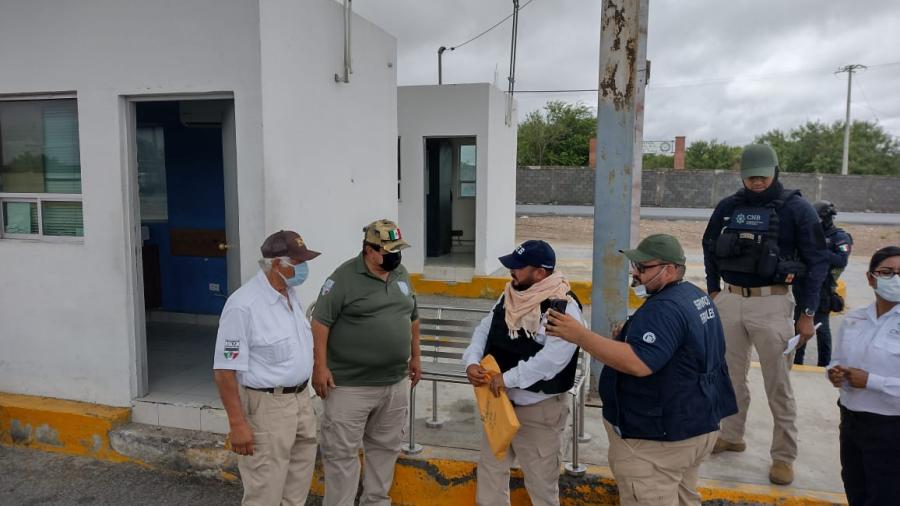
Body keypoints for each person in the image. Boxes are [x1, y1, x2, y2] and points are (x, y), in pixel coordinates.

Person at [546, 234, 737, 506]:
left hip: (657, 443)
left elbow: (639, 363)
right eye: (635, 265)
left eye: (643, 267)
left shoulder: (664, 309)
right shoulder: (695, 296)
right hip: (695, 426)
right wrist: (627, 336)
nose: (635, 273)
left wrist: (579, 335)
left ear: (669, 270)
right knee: (684, 498)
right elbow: (683, 350)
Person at [701, 144, 829, 485]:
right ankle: (732, 435)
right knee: (729, 376)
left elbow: (817, 262)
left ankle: (783, 456)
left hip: (772, 303)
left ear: (775, 172)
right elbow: (709, 245)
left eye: (762, 176)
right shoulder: (729, 207)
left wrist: (807, 312)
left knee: (778, 384)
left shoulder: (798, 209)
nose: (757, 182)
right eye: (750, 177)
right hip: (730, 299)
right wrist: (713, 288)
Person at [462, 240, 585, 506]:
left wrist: (508, 379)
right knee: (490, 478)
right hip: (499, 405)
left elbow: (552, 360)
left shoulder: (563, 307)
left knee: (542, 488)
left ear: (540, 272)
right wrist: (471, 361)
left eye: (518, 267)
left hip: (538, 412)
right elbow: (485, 329)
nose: (512, 271)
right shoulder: (509, 294)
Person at [311, 219, 422, 506]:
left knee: (386, 449)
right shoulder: (343, 279)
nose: (395, 256)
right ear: (369, 250)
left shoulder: (400, 274)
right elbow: (320, 322)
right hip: (350, 386)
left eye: (398, 250)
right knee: (341, 454)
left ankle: (376, 501)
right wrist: (320, 366)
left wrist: (416, 356)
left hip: (394, 382)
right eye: (389, 251)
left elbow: (412, 316)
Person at [212, 230, 321, 506]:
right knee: (265, 494)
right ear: (276, 264)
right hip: (267, 408)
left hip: (301, 401)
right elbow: (224, 371)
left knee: (296, 491)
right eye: (298, 262)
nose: (303, 268)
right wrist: (237, 424)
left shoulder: (290, 295)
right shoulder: (243, 306)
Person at [827, 246, 900, 506]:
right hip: (852, 421)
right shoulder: (855, 318)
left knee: (886, 496)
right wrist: (835, 374)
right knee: (855, 488)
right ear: (871, 278)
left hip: (891, 428)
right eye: (887, 272)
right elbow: (837, 360)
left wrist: (871, 382)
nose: (895, 279)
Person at [794, 200, 853, 366]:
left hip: (823, 288)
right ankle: (797, 361)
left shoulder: (839, 237)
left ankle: (824, 363)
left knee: (821, 327)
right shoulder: (809, 235)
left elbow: (841, 260)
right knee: (798, 326)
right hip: (802, 286)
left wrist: (819, 251)